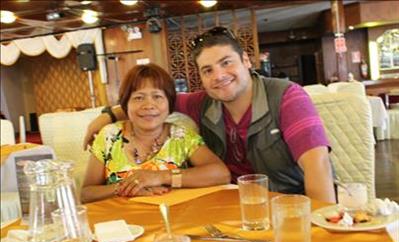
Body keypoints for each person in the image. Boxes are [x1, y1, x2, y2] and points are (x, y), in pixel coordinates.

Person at [84, 27, 336, 203]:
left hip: (290, 202)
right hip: (230, 205)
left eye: (226, 62)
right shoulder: (202, 102)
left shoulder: (287, 96)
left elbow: (318, 166)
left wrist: (320, 224)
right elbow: (153, 101)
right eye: (208, 70)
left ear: (246, 60)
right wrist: (106, 115)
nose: (218, 76)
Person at [81, 63, 230, 203]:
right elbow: (86, 194)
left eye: (157, 96)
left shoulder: (181, 136)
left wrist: (160, 177)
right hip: (122, 225)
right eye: (139, 98)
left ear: (169, 104)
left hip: (173, 220)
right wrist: (126, 188)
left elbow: (221, 174)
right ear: (125, 104)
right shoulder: (109, 136)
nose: (149, 105)